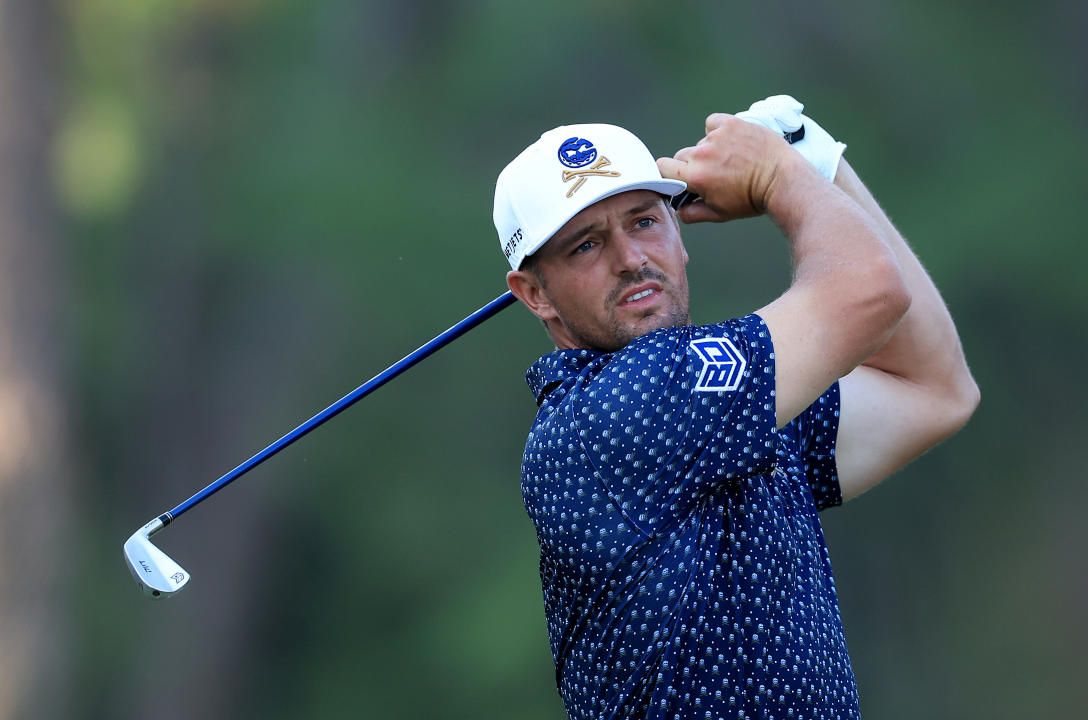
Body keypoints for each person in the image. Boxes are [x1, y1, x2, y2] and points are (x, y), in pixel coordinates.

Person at [493, 95, 979, 720]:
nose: (631, 258)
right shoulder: (606, 416)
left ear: (678, 229)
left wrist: (815, 160)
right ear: (535, 293)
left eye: (644, 221)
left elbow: (935, 389)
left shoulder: (731, 408)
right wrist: (780, 175)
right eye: (586, 245)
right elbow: (869, 291)